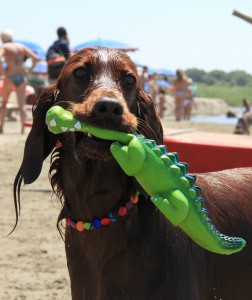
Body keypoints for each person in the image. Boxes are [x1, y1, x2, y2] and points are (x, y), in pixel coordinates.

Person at [0, 29, 39, 134]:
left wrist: (3, 71)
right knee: (21, 105)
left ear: (3, 38)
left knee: (4, 103)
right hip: (21, 76)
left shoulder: (5, 47)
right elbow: (35, 58)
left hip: (10, 76)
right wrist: (29, 71)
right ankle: (22, 129)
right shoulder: (21, 47)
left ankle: (1, 127)